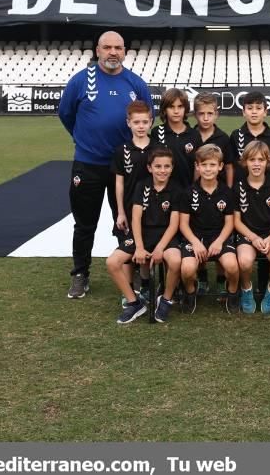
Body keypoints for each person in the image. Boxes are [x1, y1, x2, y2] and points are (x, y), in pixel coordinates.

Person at [59, 30, 153, 300]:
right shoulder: (80, 81)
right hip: (88, 164)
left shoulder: (135, 83)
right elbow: (66, 114)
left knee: (125, 222)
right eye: (107, 47)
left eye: (118, 48)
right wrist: (83, 139)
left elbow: (147, 118)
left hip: (125, 167)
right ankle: (80, 274)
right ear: (97, 50)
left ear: (125, 51)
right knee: (84, 223)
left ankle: (131, 269)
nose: (113, 52)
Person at [104, 147, 183, 325]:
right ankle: (134, 302)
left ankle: (166, 300)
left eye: (166, 166)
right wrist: (139, 247)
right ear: (150, 168)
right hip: (141, 234)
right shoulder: (142, 186)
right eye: (158, 166)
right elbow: (136, 218)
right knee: (112, 262)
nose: (162, 170)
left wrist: (160, 249)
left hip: (166, 236)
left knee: (176, 261)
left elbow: (174, 224)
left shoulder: (177, 189)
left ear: (172, 168)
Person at [178, 144, 239, 314]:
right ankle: (190, 291)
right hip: (195, 237)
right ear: (197, 166)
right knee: (187, 269)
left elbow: (230, 223)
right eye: (203, 165)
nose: (208, 169)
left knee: (232, 266)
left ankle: (233, 292)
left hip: (220, 237)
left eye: (212, 165)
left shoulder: (227, 192)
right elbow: (183, 224)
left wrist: (219, 242)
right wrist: (196, 242)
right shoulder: (188, 192)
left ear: (220, 167)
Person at [233, 141, 270, 315]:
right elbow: (237, 221)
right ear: (245, 162)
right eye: (252, 160)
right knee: (245, 261)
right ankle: (246, 289)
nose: (256, 164)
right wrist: (254, 238)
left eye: (261, 160)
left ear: (267, 162)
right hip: (248, 234)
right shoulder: (238, 186)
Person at [111, 100, 154, 300]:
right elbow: (119, 183)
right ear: (128, 123)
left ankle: (145, 284)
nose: (140, 126)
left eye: (144, 122)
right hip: (128, 208)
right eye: (136, 122)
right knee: (126, 246)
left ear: (151, 122)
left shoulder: (157, 148)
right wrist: (120, 211)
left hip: (153, 209)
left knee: (145, 245)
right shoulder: (122, 150)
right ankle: (128, 288)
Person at [192, 92, 231, 294]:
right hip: (197, 193)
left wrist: (230, 190)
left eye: (210, 113)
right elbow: (191, 166)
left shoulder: (223, 138)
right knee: (198, 232)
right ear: (195, 115)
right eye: (201, 114)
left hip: (219, 192)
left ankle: (222, 278)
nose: (206, 118)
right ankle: (201, 276)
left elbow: (230, 167)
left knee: (219, 234)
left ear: (216, 114)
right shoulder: (191, 135)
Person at [226, 91, 270, 187]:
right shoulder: (235, 135)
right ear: (243, 112)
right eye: (250, 108)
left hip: (266, 189)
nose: (254, 112)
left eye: (259, 108)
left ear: (265, 112)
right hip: (241, 188)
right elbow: (231, 165)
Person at [151, 88, 203, 188]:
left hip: (187, 191)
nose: (176, 111)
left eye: (180, 107)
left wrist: (194, 188)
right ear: (164, 110)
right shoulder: (157, 132)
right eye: (171, 107)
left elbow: (198, 166)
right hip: (164, 193)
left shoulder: (194, 135)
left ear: (186, 108)